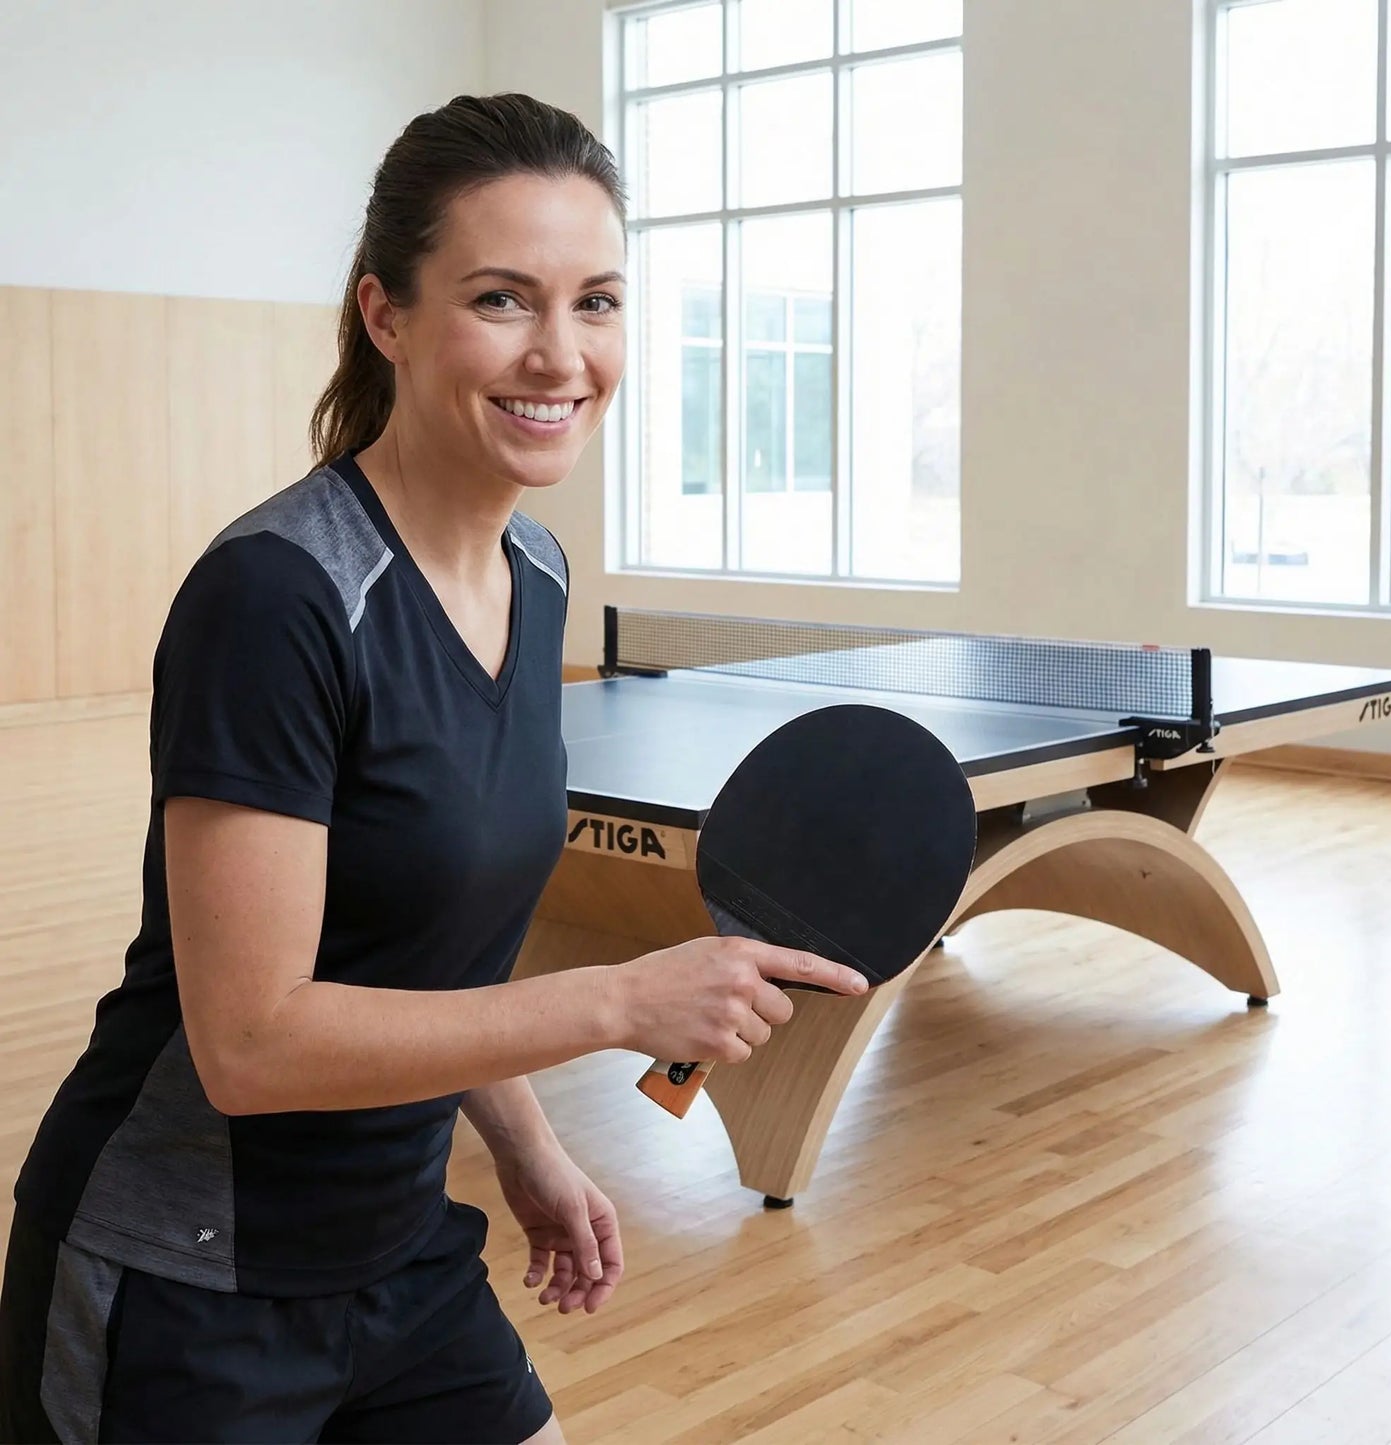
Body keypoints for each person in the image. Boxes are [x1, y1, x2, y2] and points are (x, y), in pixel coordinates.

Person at [0, 93, 867, 1444]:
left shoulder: (535, 570)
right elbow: (251, 1042)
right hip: (186, 1277)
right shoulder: (277, 597)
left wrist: (525, 1143)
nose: (560, 352)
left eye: (597, 302)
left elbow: (422, 949)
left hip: (400, 1252)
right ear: (385, 315)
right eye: (502, 298)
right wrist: (617, 999)